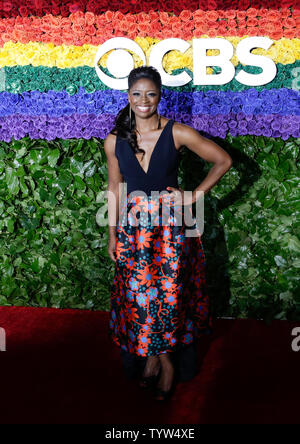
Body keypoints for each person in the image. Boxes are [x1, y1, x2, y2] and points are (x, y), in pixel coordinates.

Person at [104, 66, 232, 401]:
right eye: (137, 94)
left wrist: (194, 195)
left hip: (171, 231)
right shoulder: (114, 141)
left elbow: (222, 160)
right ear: (128, 97)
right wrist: (112, 234)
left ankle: (168, 366)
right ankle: (152, 360)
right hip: (133, 233)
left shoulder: (177, 133)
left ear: (160, 96)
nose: (144, 100)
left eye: (150, 94)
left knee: (170, 297)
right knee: (139, 299)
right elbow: (115, 188)